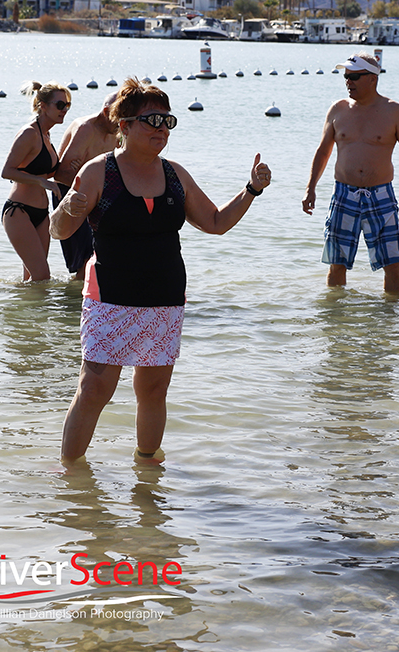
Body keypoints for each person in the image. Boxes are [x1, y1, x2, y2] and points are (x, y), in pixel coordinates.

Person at [49, 78, 272, 465]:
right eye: (151, 120)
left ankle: (148, 474)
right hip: (109, 300)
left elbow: (216, 222)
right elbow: (58, 231)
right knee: (94, 389)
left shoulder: (175, 175)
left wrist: (250, 190)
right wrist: (70, 206)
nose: (160, 129)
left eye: (166, 121)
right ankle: (70, 479)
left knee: (153, 390)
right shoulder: (99, 172)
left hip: (164, 301)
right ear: (124, 125)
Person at [302, 53, 399, 294]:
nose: (348, 81)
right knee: (336, 265)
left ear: (372, 79)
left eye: (354, 76)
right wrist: (310, 188)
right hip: (343, 195)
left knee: (392, 265)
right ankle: (336, 320)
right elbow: (323, 152)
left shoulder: (394, 111)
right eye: (346, 76)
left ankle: (390, 321)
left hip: (381, 196)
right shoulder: (337, 109)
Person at [1, 81, 71, 281]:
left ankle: (27, 312)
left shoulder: (46, 135)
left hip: (41, 214)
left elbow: (42, 171)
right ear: (43, 105)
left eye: (67, 105)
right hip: (19, 211)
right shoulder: (29, 133)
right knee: (42, 276)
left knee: (32, 278)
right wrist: (41, 183)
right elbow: (7, 171)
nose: (64, 110)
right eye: (60, 105)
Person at [51, 92, 120, 280]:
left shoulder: (118, 130)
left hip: (100, 195)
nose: (122, 125)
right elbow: (61, 173)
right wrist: (91, 177)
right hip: (71, 193)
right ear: (106, 112)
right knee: (84, 260)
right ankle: (78, 304)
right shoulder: (86, 128)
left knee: (103, 253)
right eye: (119, 118)